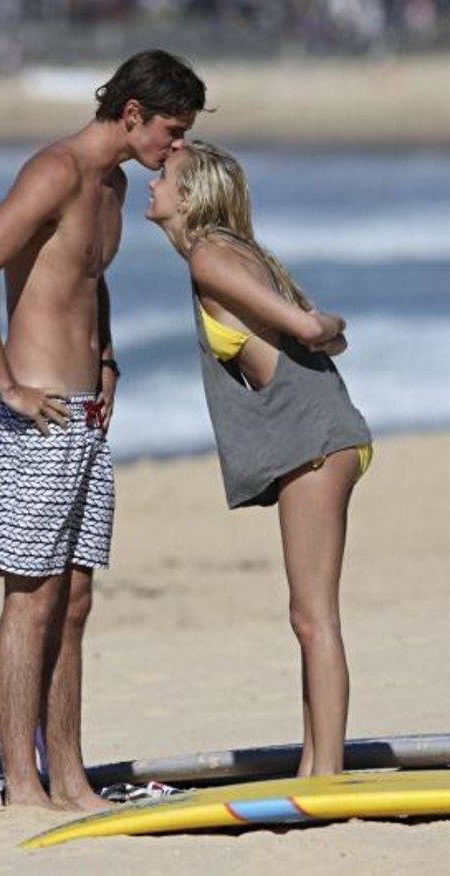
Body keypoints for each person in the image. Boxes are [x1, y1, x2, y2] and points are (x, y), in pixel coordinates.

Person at [0, 50, 206, 809]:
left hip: (84, 417)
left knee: (76, 597)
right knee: (29, 599)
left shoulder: (116, 184)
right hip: (32, 419)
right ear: (132, 114)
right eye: (171, 129)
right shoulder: (56, 171)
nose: (177, 147)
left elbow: (90, 278)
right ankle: (22, 785)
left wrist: (109, 356)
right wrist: (8, 383)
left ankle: (68, 776)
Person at [147, 141, 372, 776]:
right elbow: (327, 334)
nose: (152, 185)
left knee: (313, 617)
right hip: (320, 435)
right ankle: (314, 765)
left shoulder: (211, 256)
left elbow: (312, 331)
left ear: (189, 196)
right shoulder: (236, 253)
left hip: (317, 440)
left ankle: (325, 775)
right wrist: (322, 325)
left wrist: (320, 323)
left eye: (163, 176)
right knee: (308, 616)